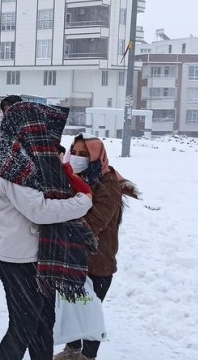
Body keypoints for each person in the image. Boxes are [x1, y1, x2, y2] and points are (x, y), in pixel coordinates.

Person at [0, 102, 94, 360]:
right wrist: (83, 202)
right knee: (22, 327)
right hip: (19, 259)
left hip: (35, 256)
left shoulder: (28, 159)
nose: (48, 137)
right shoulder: (13, 165)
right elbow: (38, 210)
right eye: (43, 129)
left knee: (42, 326)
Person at [54, 135, 139, 360]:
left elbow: (93, 224)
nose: (79, 158)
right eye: (76, 152)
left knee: (89, 312)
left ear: (97, 157)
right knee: (72, 308)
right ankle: (72, 350)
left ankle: (87, 356)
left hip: (98, 263)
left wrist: (59, 218)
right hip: (72, 259)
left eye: (85, 154)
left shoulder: (108, 184)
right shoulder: (71, 177)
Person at [0, 95, 23, 175]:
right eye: (6, 110)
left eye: (11, 109)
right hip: (1, 175)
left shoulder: (27, 129)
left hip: (24, 178)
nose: (8, 113)